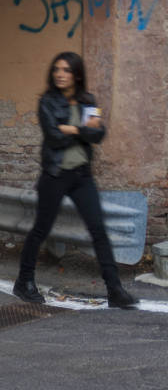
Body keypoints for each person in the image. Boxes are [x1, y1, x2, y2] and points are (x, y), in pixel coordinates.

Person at [13, 52, 137, 309]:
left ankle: (115, 290)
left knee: (98, 231)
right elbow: (54, 138)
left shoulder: (87, 100)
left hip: (81, 175)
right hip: (55, 175)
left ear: (77, 75)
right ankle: (23, 282)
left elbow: (98, 134)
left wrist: (72, 129)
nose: (60, 74)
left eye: (66, 70)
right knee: (41, 230)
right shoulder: (47, 102)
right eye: (57, 69)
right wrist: (84, 131)